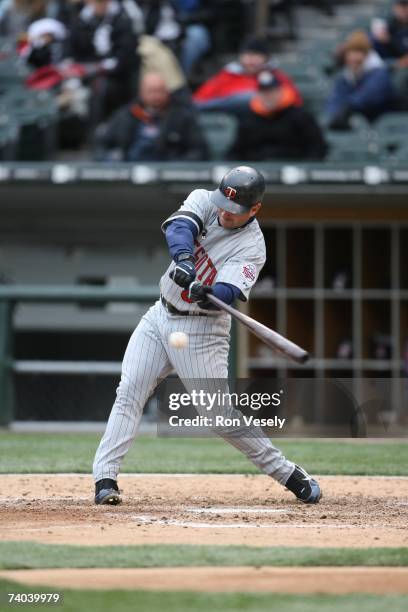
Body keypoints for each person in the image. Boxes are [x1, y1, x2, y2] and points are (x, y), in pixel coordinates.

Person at [92, 165, 322, 506]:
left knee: (219, 416)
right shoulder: (203, 199)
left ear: (255, 209)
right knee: (129, 392)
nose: (225, 213)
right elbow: (180, 227)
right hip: (159, 316)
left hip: (203, 330)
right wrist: (184, 260)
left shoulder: (252, 246)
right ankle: (105, 480)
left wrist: (208, 290)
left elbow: (229, 291)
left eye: (235, 211)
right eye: (223, 205)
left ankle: (288, 473)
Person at [95, 71, 208, 161]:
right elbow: (102, 146)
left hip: (167, 176)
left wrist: (176, 165)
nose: (156, 96)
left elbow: (199, 150)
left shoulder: (182, 116)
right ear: (141, 92)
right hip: (129, 175)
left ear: (167, 92)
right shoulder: (126, 115)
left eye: (160, 91)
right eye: (151, 91)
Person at [228, 71, 327, 161]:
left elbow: (317, 147)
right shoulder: (249, 119)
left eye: (272, 92)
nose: (268, 96)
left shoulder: (300, 116)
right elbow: (236, 151)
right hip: (257, 172)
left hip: (293, 172)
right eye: (264, 92)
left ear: (281, 92)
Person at [193, 37, 302, 115]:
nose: (251, 60)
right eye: (248, 55)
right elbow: (200, 100)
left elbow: (295, 101)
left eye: (256, 55)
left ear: (266, 58)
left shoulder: (276, 77)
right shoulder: (226, 76)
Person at [69, 0, 139, 120]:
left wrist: (99, 68)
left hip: (116, 76)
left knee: (101, 89)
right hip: (83, 71)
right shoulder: (80, 22)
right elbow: (73, 50)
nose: (98, 5)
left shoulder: (122, 19)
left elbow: (125, 56)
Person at [326, 30, 396, 128]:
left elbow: (367, 97)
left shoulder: (380, 74)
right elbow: (335, 101)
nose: (354, 58)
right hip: (355, 126)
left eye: (358, 52)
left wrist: (348, 107)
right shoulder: (344, 78)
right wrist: (335, 114)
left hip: (381, 126)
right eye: (350, 53)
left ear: (366, 54)